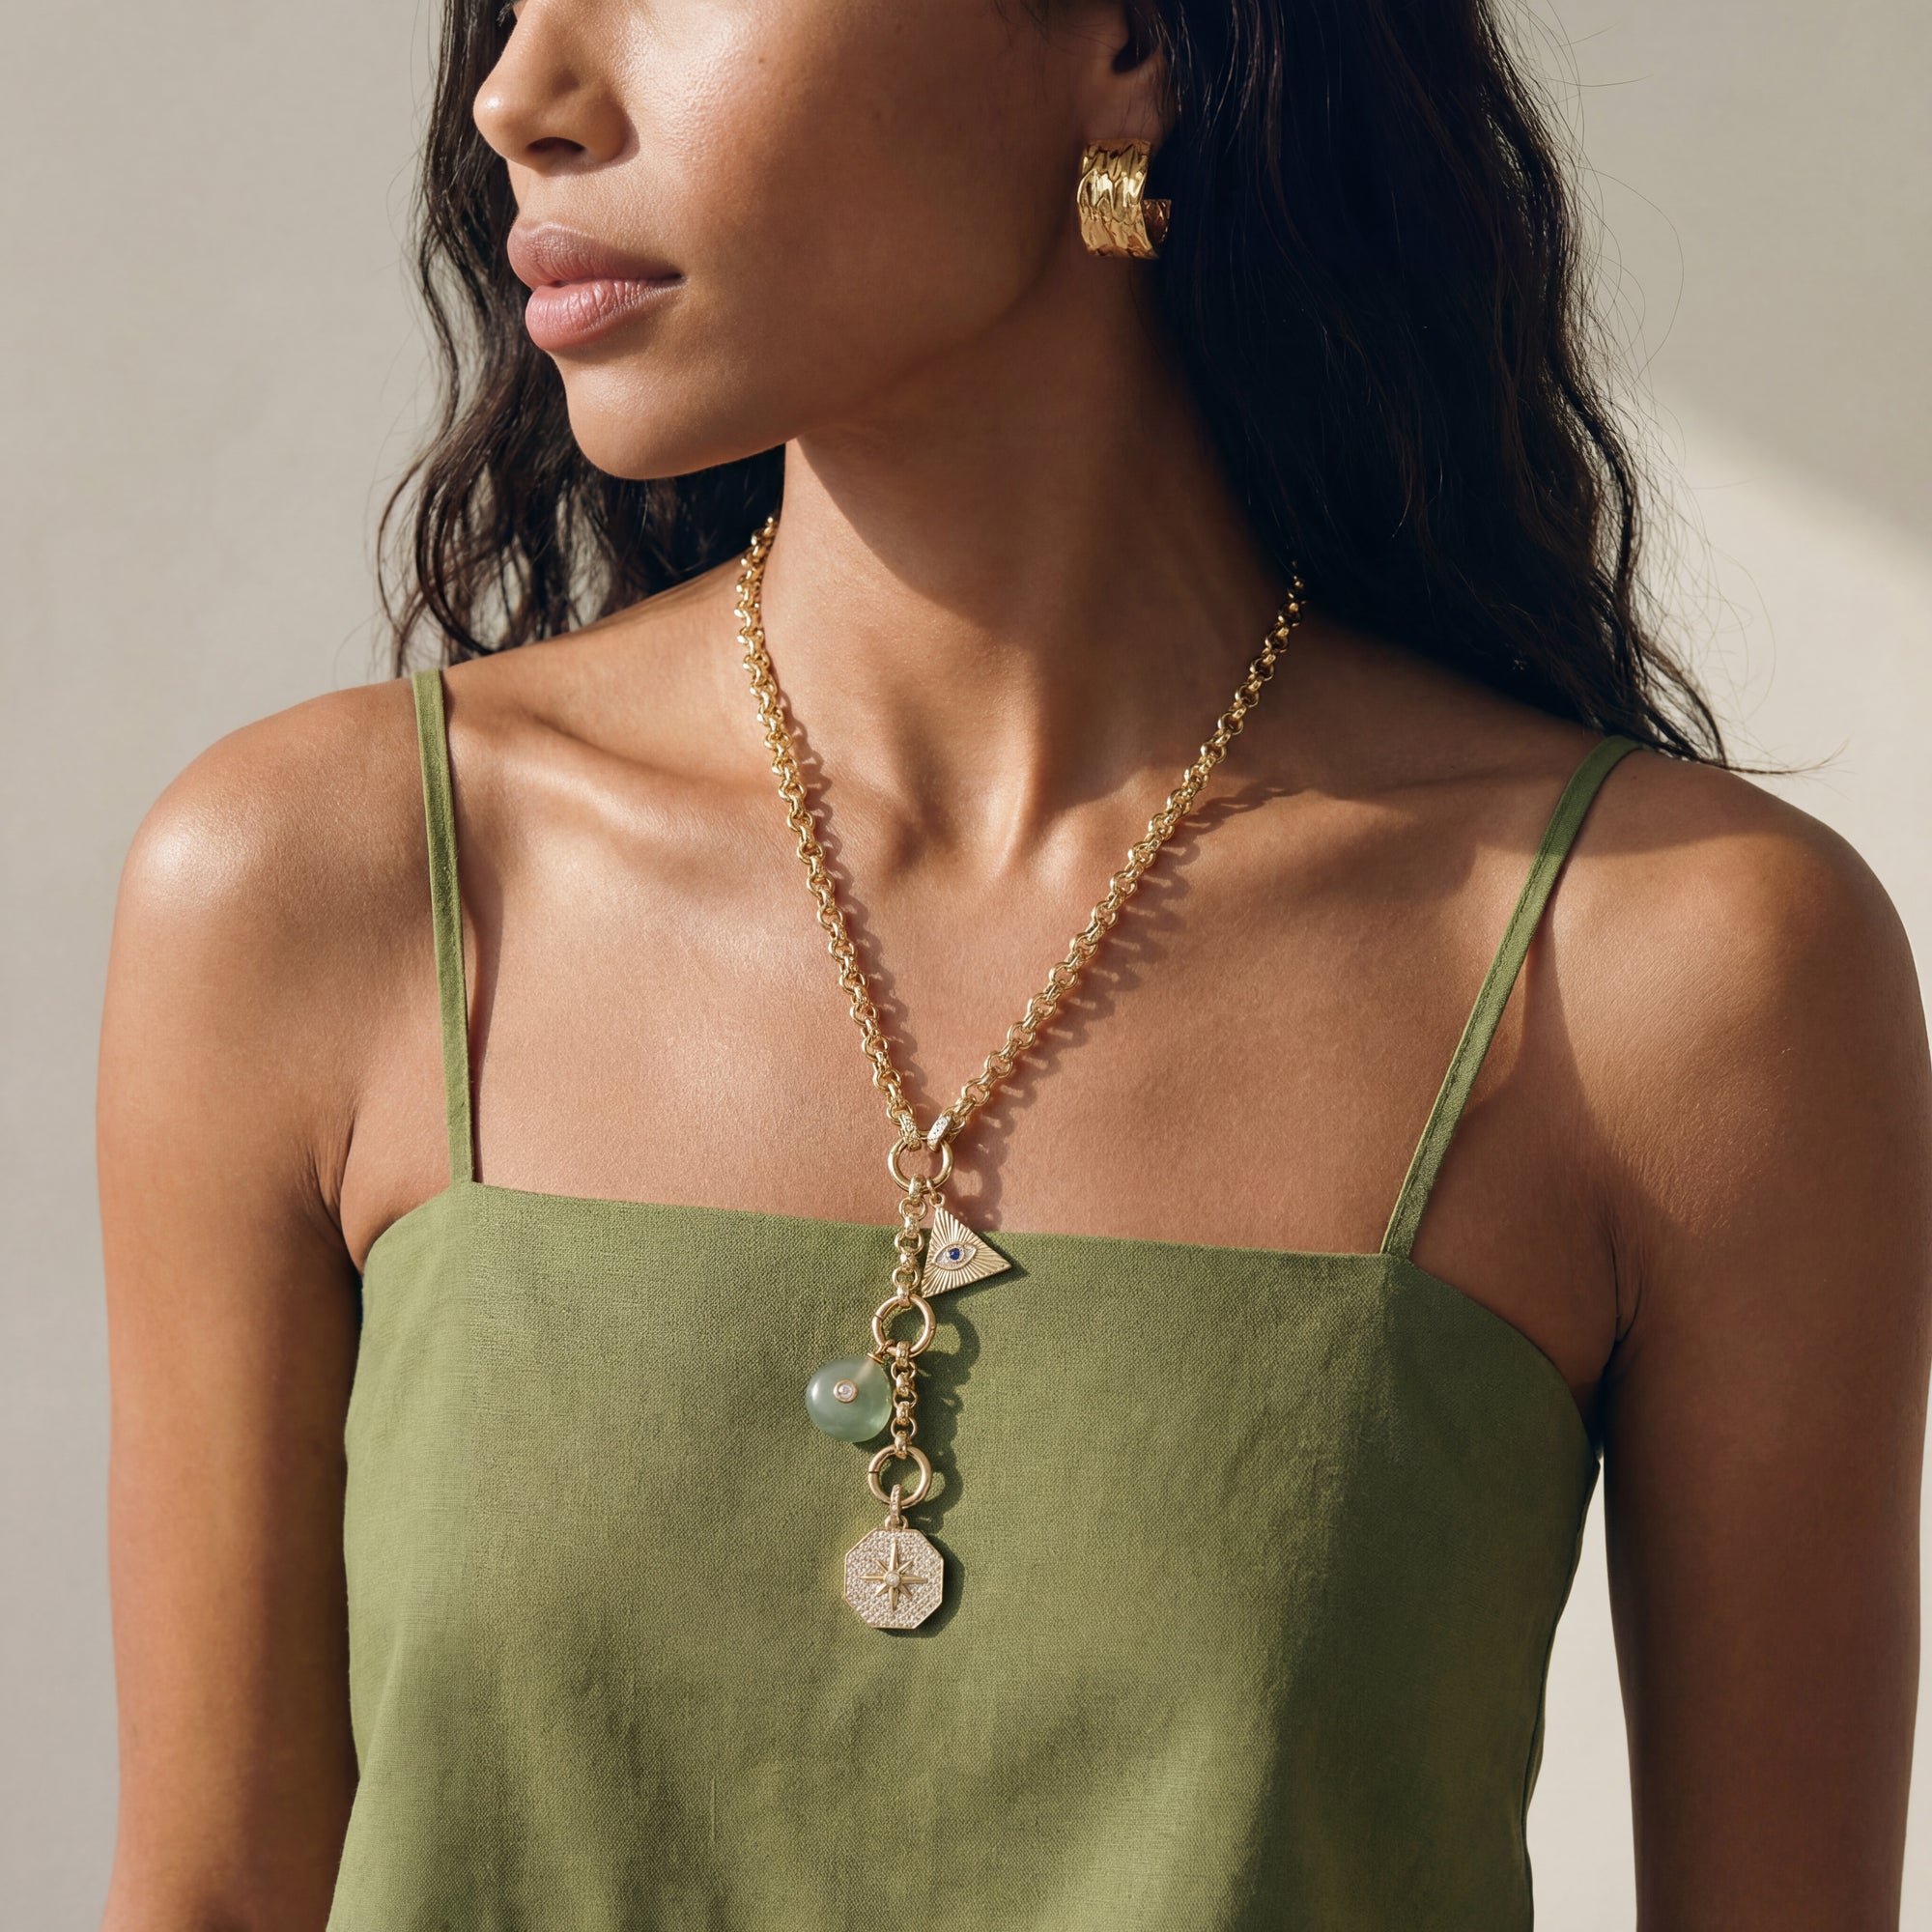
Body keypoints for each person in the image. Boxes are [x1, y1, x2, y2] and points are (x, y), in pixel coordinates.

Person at [97, 2, 1930, 1927]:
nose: (520, 96)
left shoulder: (1674, 968)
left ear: (1127, 42)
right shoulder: (331, 883)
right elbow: (212, 1892)